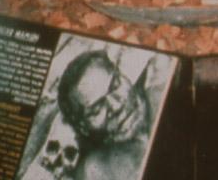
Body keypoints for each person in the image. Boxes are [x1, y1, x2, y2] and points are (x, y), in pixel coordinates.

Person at [56, 50, 151, 179]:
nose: (116, 106)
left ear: (122, 74)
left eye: (115, 85)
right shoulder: (95, 174)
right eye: (96, 109)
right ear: (83, 127)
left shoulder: (167, 90)